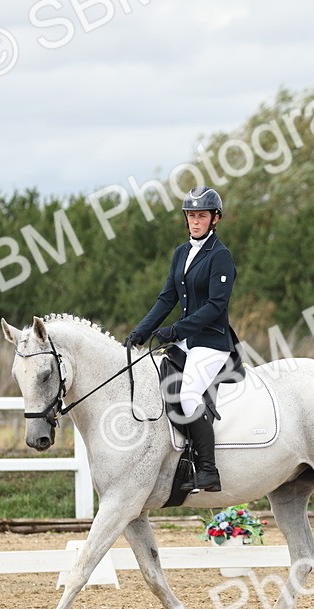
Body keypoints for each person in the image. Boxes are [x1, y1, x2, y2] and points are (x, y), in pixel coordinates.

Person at [124, 186, 238, 493]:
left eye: (201, 216)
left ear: (215, 219)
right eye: (191, 216)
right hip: (187, 342)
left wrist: (176, 330)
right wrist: (139, 333)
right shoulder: (181, 253)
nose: (195, 222)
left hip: (211, 342)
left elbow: (215, 306)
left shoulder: (221, 256)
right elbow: (167, 298)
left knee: (188, 395)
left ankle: (208, 470)